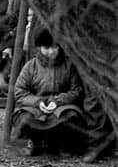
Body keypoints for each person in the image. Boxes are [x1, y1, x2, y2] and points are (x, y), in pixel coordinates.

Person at [12, 29, 88, 157]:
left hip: (61, 107)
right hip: (36, 108)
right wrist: (37, 102)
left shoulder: (69, 66)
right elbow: (20, 91)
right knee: (24, 118)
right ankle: (32, 142)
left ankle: (63, 145)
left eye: (55, 47)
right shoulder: (31, 66)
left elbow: (76, 90)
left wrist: (57, 101)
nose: (51, 52)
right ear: (39, 47)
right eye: (46, 48)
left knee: (71, 117)